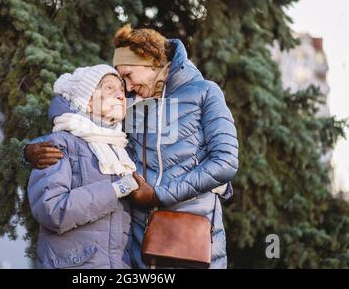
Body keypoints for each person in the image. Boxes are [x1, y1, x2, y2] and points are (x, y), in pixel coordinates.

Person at [26, 25, 239, 268]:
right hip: (138, 247)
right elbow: (82, 120)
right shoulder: (133, 104)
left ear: (150, 60)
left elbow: (225, 161)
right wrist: (32, 150)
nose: (126, 87)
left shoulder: (204, 93)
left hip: (190, 237)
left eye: (128, 75)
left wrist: (158, 195)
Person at [27, 64, 139, 269]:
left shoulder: (123, 152)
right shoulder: (61, 144)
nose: (121, 95)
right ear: (87, 101)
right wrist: (115, 190)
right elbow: (51, 209)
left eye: (122, 90)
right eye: (109, 88)